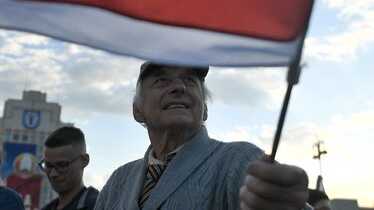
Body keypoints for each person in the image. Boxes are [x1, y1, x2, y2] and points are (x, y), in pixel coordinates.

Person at [95, 62, 311, 210]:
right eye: (161, 80)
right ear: (137, 110)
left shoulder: (239, 160)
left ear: (204, 110)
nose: (179, 87)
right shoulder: (117, 182)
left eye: (189, 80)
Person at [39, 126, 98, 210]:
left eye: (62, 165)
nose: (53, 174)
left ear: (84, 161)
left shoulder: (99, 205)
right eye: (48, 165)